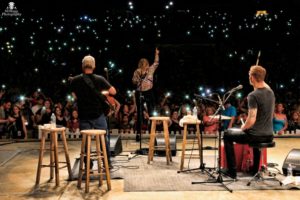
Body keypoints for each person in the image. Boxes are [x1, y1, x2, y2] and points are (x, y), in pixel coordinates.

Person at [223, 65, 275, 179]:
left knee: (227, 134)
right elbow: (263, 83)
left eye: (249, 75)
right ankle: (255, 170)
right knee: (254, 131)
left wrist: (243, 128)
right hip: (269, 135)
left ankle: (231, 172)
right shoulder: (271, 93)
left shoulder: (253, 95)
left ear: (252, 77)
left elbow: (251, 119)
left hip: (256, 136)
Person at [70, 55, 116, 168]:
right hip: (98, 115)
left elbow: (74, 96)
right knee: (103, 138)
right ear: (94, 66)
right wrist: (104, 93)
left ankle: (88, 163)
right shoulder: (100, 79)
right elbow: (113, 92)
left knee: (86, 140)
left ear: (82, 66)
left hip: (84, 115)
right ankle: (107, 162)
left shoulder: (75, 80)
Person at [132, 47, 159, 141]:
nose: (146, 65)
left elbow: (156, 63)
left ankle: (153, 134)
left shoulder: (150, 70)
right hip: (139, 92)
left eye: (147, 63)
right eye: (144, 64)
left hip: (149, 92)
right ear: (141, 65)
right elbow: (134, 81)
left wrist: (157, 54)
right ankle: (138, 134)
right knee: (139, 113)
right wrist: (140, 77)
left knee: (151, 113)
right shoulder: (137, 71)